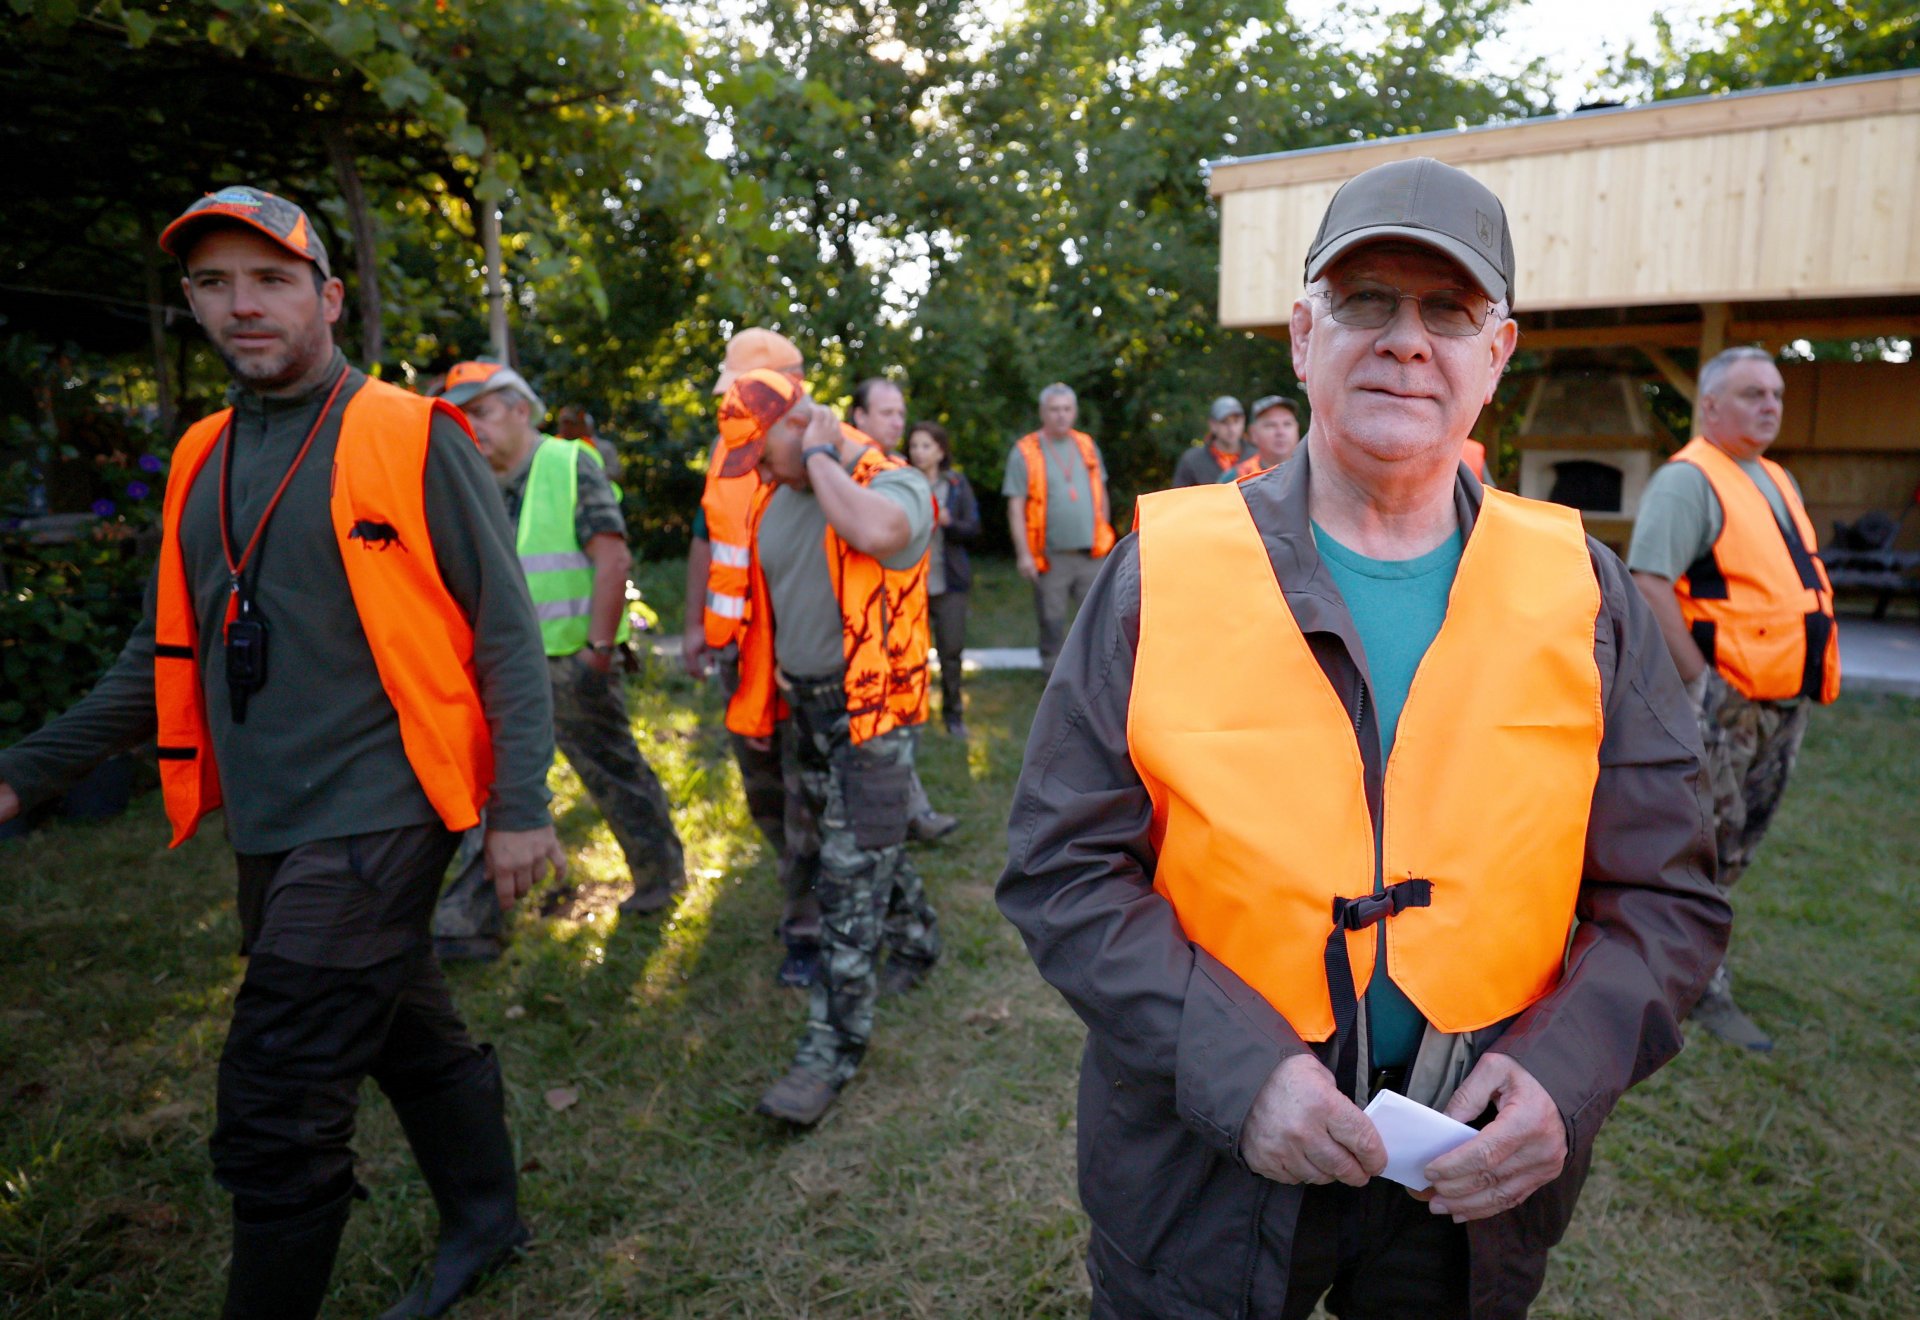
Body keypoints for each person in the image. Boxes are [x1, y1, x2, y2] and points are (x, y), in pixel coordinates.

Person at [998, 156, 1730, 1318]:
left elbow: (1669, 899)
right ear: (1301, 335)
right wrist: (1243, 1079)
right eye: (1366, 301)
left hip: (1466, 1181)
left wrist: (1563, 1075)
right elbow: (1060, 866)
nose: (1406, 340)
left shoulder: (1582, 593)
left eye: (1449, 311)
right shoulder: (1164, 572)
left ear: (1498, 355)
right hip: (1204, 1168)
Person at [0, 187, 564, 1318]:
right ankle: (488, 1220)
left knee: (277, 1096)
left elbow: (505, 629)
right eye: (213, 283)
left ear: (329, 297)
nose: (240, 305)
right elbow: (158, 655)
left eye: (269, 279)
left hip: (387, 805)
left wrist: (520, 803)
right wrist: (23, 773)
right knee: (404, 1023)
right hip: (273, 817)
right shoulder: (205, 453)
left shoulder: (413, 434)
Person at [719, 369, 942, 1126]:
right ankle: (918, 937)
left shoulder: (892, 479)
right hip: (805, 707)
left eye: (762, 452)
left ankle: (827, 1054)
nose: (758, 470)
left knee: (845, 885)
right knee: (860, 847)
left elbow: (880, 534)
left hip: (873, 718)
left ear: (801, 425)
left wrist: (819, 456)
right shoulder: (776, 493)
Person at [427, 359, 686, 960]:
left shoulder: (569, 463)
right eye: (461, 414)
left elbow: (612, 560)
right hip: (490, 670)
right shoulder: (466, 479)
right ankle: (475, 921)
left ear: (521, 410)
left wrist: (598, 651)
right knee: (487, 789)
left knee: (611, 771)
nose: (471, 425)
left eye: (481, 411)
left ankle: (658, 877)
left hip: (570, 661)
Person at [1628, 345, 1840, 1053]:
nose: (1770, 405)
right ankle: (1693, 987)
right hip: (1726, 706)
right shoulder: (1688, 482)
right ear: (1710, 405)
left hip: (1782, 704)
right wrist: (1702, 683)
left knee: (1740, 847)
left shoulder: (1773, 477)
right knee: (1703, 850)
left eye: (1775, 393)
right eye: (1752, 393)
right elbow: (1649, 584)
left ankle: (1687, 964)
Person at [684, 328, 821, 985]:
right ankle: (803, 889)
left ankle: (809, 925)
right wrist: (694, 627)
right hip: (742, 657)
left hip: (799, 661)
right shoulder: (726, 445)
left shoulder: (822, 452)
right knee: (765, 793)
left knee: (807, 796)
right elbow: (707, 539)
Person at [851, 376, 959, 838]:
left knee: (899, 731)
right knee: (880, 735)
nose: (897, 421)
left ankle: (909, 814)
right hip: (868, 630)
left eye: (900, 412)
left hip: (906, 628)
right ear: (859, 417)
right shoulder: (850, 473)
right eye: (886, 413)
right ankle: (902, 821)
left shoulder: (894, 467)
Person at [1003, 384, 1117, 677]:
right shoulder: (1026, 451)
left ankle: (1095, 678)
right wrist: (1024, 554)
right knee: (1052, 623)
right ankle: (1054, 684)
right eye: (1054, 409)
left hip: (1091, 554)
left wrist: (1103, 528)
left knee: (1098, 620)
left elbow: (1100, 491)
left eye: (1067, 409)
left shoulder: (1086, 445)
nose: (1061, 415)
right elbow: (1016, 507)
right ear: (1043, 413)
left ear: (1075, 411)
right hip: (1050, 557)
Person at [906, 420, 981, 736]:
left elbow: (974, 529)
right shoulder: (901, 481)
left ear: (940, 451)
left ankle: (953, 715)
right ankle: (913, 715)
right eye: (914, 446)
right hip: (911, 584)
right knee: (911, 655)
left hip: (949, 583)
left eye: (926, 446)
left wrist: (950, 523)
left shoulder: (956, 485)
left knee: (951, 652)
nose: (918, 452)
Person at [1170, 394, 1248, 487]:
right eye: (1224, 422)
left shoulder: (1258, 455)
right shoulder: (1192, 460)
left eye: (1236, 421)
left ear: (1243, 421)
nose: (1231, 428)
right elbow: (1180, 498)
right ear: (1212, 425)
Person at [1236, 393, 1304, 477]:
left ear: (1297, 428)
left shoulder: (1314, 473)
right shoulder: (1235, 478)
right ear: (1253, 433)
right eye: (1271, 425)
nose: (1280, 432)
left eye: (1287, 424)